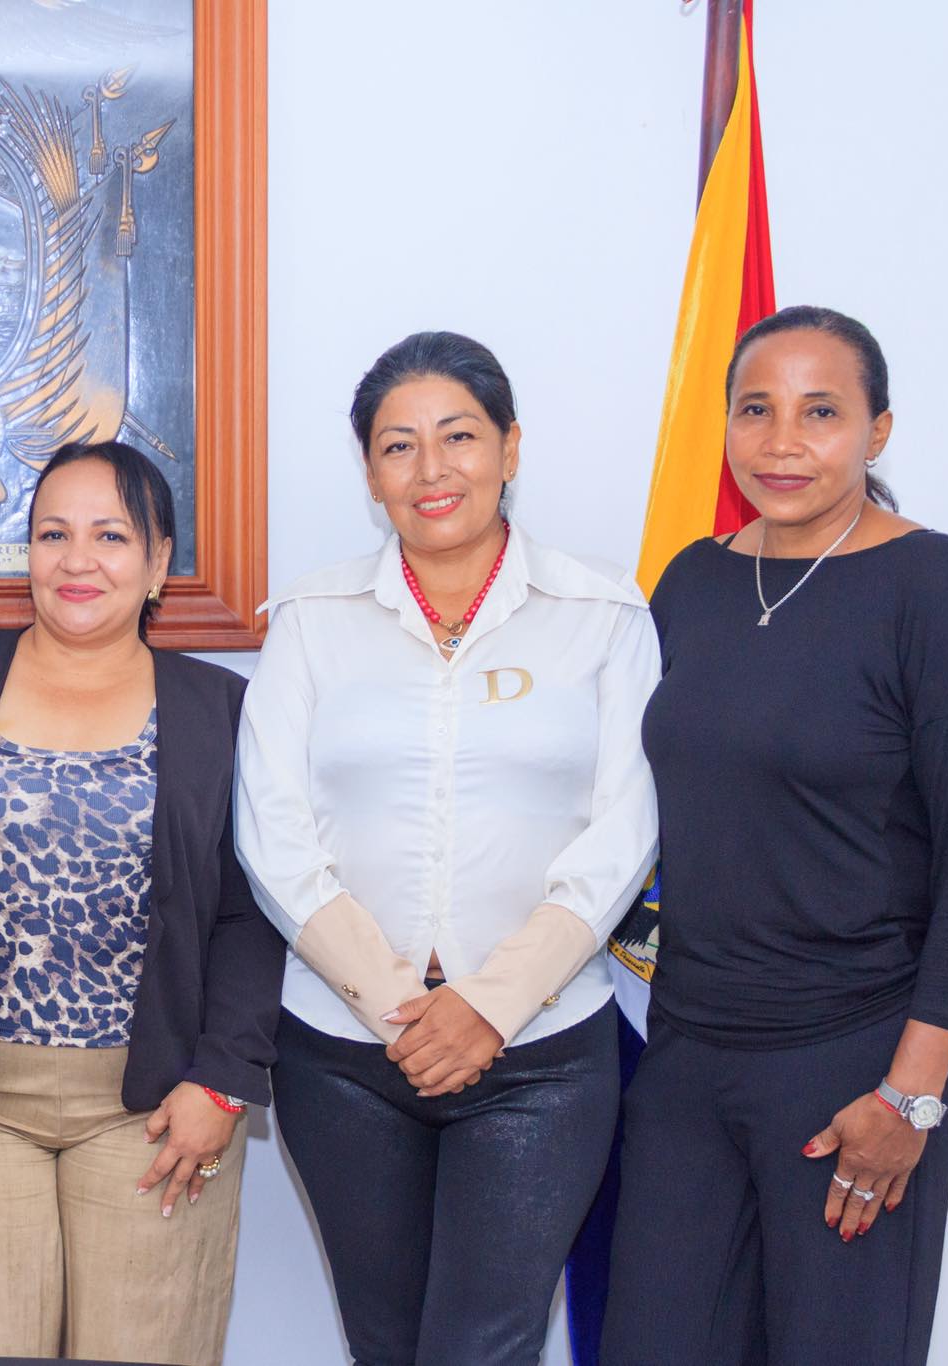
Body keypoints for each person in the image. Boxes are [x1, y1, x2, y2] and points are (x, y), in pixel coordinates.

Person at [602, 306, 948, 1365]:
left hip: (856, 1057)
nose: (781, 441)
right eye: (755, 410)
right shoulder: (691, 581)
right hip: (689, 1051)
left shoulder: (936, 588)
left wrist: (908, 1095)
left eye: (820, 412)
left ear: (877, 430)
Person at [236, 332, 661, 1365]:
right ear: (370, 472)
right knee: (385, 1345)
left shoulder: (602, 614)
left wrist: (489, 1004)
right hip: (343, 1049)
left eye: (459, 436)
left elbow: (626, 829)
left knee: (483, 1346)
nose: (431, 469)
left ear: (510, 448)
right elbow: (270, 829)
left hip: (540, 1051)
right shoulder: (311, 619)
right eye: (398, 446)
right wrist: (397, 1002)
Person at [0, 440, 283, 1366]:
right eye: (54, 534)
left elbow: (251, 911)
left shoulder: (222, 709)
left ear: (160, 562)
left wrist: (223, 1080)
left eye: (111, 536)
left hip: (159, 1107)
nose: (78, 560)